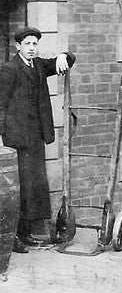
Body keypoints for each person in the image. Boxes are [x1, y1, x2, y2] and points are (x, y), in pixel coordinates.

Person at [0, 27, 76, 253]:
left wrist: (63, 56)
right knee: (19, 187)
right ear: (18, 46)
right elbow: (0, 105)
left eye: (35, 44)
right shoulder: (9, 69)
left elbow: (68, 61)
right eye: (27, 44)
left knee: (33, 187)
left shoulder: (39, 66)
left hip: (35, 137)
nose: (32, 48)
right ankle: (13, 237)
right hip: (16, 138)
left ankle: (25, 234)